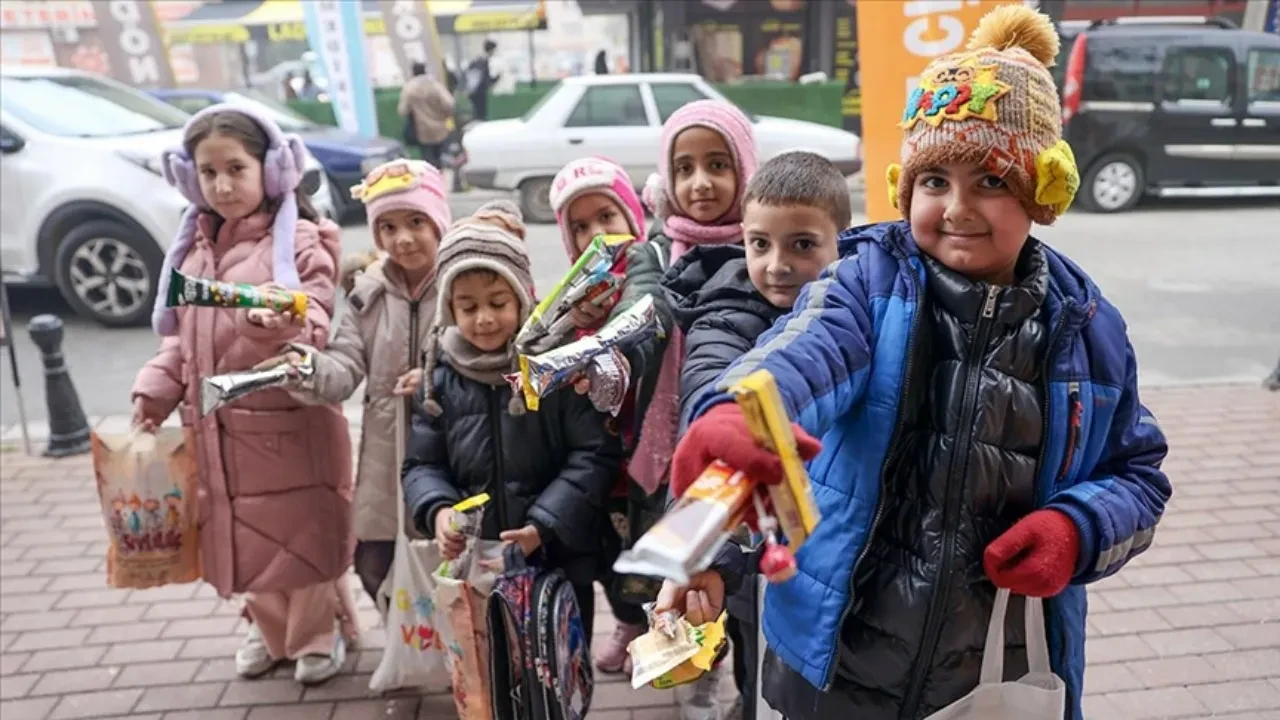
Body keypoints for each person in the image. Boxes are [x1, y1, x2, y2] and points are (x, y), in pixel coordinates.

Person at [658, 7, 1172, 720]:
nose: (957, 207)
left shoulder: (1088, 330)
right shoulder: (866, 283)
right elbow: (805, 352)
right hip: (836, 668)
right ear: (906, 187)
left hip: (992, 673)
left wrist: (1077, 531)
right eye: (934, 180)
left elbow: (1139, 477)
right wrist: (739, 412)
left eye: (991, 181)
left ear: (1043, 190)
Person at [130, 104, 358, 686]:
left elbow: (316, 326)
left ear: (272, 170)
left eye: (236, 168)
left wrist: (275, 327)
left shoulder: (303, 241)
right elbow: (182, 340)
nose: (223, 185)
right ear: (190, 178)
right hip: (218, 432)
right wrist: (155, 389)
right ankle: (268, 627)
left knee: (301, 537)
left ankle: (317, 632)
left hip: (290, 430)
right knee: (242, 539)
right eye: (209, 173)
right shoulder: (194, 250)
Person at [661, 150, 849, 718]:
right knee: (759, 675)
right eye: (759, 244)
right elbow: (708, 429)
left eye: (802, 245)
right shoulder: (724, 318)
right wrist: (699, 553)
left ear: (842, 242)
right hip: (754, 564)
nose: (776, 265)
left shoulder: (858, 310)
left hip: (841, 555)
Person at [401, 203, 622, 639]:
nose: (484, 318)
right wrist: (439, 510)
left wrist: (544, 524)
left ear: (521, 296)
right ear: (449, 309)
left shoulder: (554, 366)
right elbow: (422, 464)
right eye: (468, 307)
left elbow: (594, 454)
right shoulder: (439, 376)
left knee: (561, 658)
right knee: (489, 660)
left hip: (557, 554)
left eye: (498, 302)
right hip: (476, 560)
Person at [259, 159, 453, 609]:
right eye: (388, 227)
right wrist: (305, 367)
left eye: (416, 222)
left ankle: (456, 643)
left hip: (453, 450)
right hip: (387, 456)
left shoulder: (462, 282)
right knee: (374, 564)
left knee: (448, 565)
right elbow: (345, 364)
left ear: (439, 221)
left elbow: (491, 353)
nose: (402, 239)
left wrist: (437, 379)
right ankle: (407, 636)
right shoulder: (369, 292)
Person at [546, 155, 662, 675]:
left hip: (652, 451)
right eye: (580, 226)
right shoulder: (570, 299)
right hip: (600, 460)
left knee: (657, 552)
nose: (596, 233)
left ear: (632, 217)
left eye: (607, 216)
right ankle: (629, 623)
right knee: (611, 553)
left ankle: (670, 635)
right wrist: (574, 327)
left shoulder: (654, 276)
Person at [398, 61, 456, 167]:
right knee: (441, 158)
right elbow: (449, 104)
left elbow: (403, 110)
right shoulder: (435, 85)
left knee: (428, 161)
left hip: (422, 130)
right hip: (440, 128)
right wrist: (444, 115)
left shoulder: (410, 88)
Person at [465, 39, 500, 122]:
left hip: (474, 92)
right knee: (480, 116)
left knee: (477, 115)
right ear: (491, 49)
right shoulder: (483, 61)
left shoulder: (478, 59)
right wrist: (496, 79)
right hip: (479, 93)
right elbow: (484, 79)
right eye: (494, 50)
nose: (494, 52)